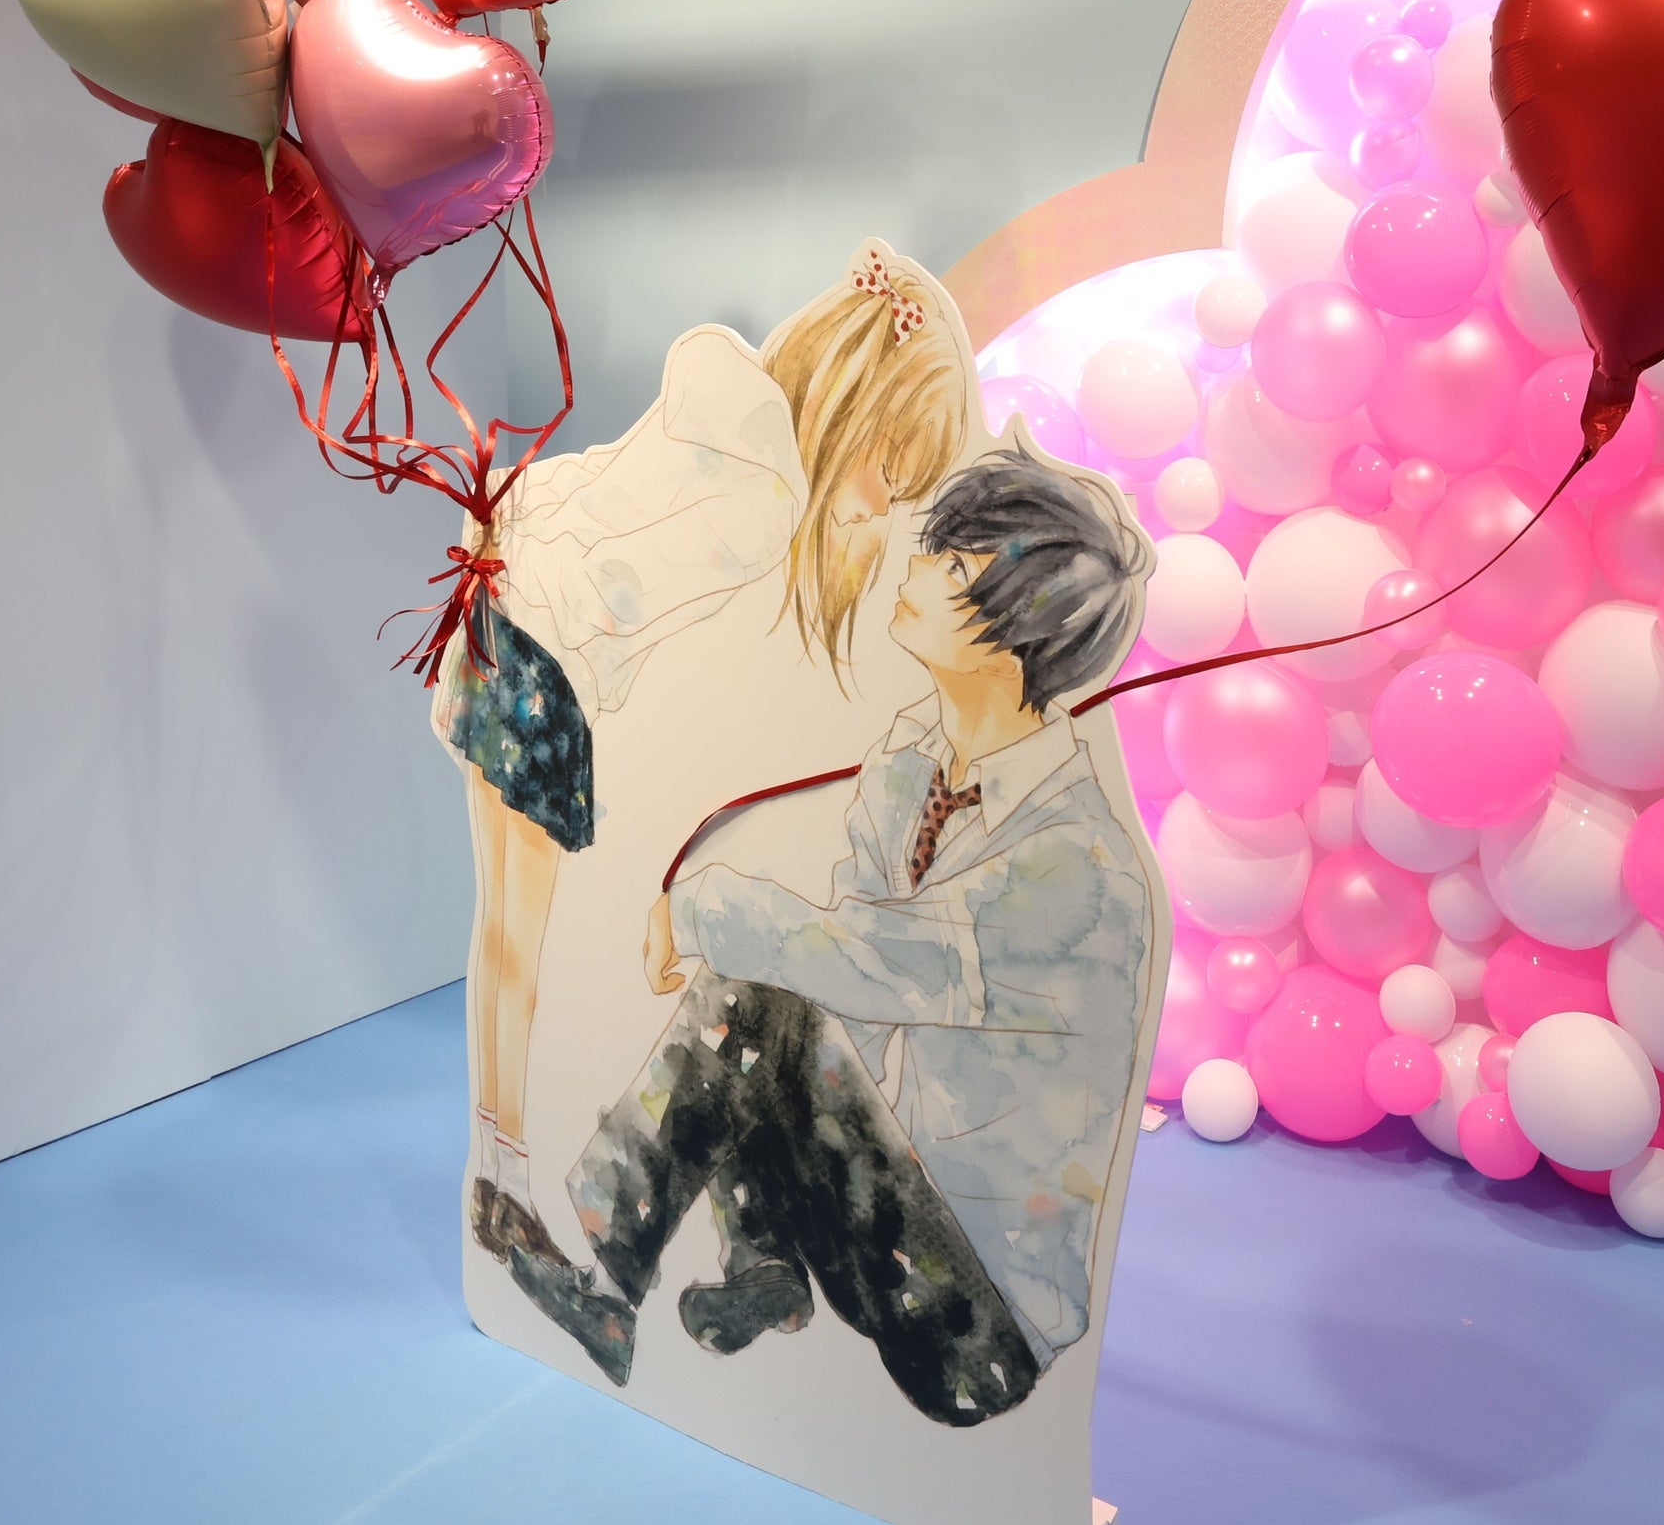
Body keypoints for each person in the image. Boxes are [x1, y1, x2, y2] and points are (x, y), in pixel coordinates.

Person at [480, 449, 1157, 1429]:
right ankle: (760, 1263)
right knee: (774, 988)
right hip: (885, 1222)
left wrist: (698, 904)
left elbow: (870, 961)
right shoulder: (911, 760)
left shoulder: (1079, 867)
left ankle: (606, 1276)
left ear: (1021, 634)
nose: (915, 565)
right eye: (935, 549)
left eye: (954, 567)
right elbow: (842, 995)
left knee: (762, 989)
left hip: (980, 1330)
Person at [435, 243, 971, 1228]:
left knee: (504, 940)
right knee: (524, 950)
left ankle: (496, 1170)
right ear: (858, 412)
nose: (883, 505)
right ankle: (504, 1177)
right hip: (550, 669)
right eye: (894, 468)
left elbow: (589, 495)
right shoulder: (765, 503)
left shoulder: (723, 422)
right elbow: (656, 613)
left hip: (499, 618)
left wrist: (505, 542)